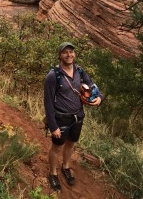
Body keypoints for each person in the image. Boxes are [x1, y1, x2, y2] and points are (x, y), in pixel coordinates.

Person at [44, 42, 105, 191]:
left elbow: (92, 86)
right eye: (65, 52)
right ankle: (53, 173)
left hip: (78, 116)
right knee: (57, 147)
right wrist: (53, 126)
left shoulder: (80, 71)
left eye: (71, 52)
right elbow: (48, 103)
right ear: (59, 55)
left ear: (74, 54)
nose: (69, 55)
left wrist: (100, 97)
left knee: (71, 143)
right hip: (61, 118)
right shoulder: (53, 76)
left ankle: (65, 167)